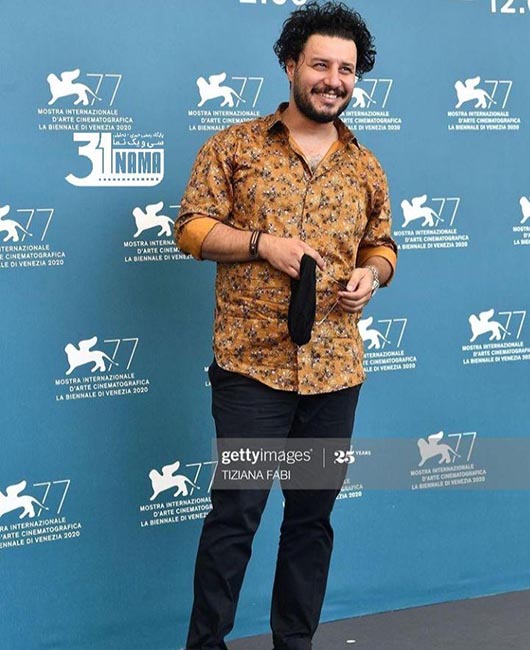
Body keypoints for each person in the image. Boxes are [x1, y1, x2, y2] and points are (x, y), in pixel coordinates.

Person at [175, 2, 397, 648]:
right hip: (251, 369)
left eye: (346, 70)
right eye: (321, 65)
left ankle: (294, 643)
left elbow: (382, 245)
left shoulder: (365, 166)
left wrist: (372, 275)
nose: (334, 80)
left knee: (310, 521)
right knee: (235, 517)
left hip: (335, 374)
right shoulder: (234, 147)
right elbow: (190, 228)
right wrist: (260, 244)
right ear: (291, 65)